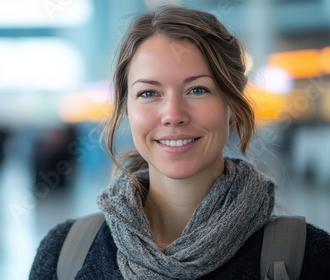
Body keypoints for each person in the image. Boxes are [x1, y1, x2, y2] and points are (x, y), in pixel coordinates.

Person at [29, 5, 330, 279]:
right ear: (126, 110)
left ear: (233, 107)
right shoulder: (64, 255)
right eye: (149, 93)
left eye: (197, 90)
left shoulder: (306, 258)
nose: (173, 115)